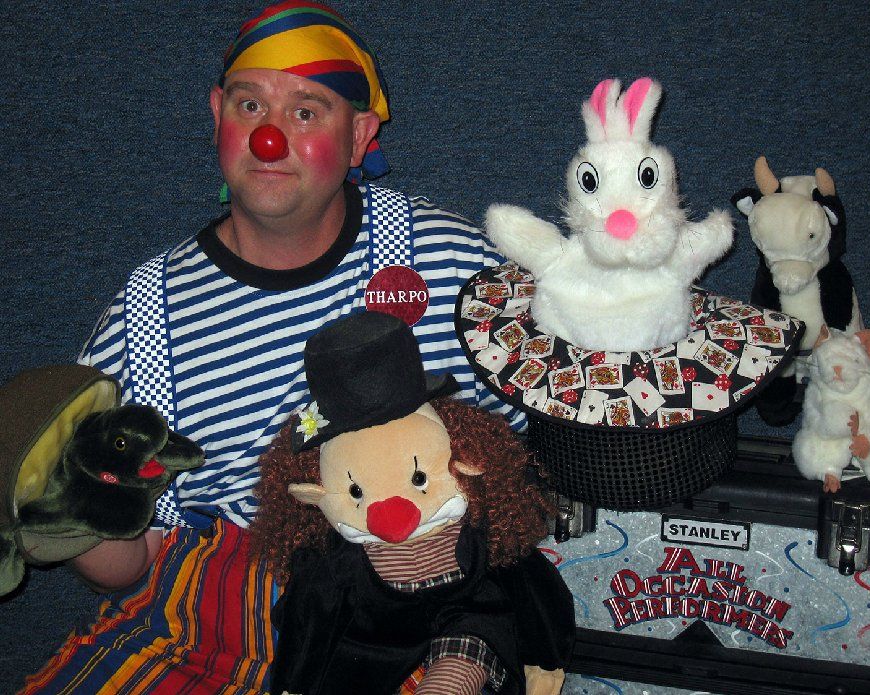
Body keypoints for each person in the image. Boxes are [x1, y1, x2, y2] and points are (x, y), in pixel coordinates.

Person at [21, 2, 521, 693]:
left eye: (307, 111)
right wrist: (75, 518)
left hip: (398, 629)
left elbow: (529, 456)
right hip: (198, 630)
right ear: (217, 115)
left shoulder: (447, 261)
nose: (268, 137)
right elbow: (133, 562)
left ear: (359, 137)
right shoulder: (146, 313)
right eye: (249, 104)